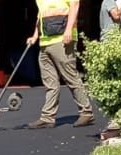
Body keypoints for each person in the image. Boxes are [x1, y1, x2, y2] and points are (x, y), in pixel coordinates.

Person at [26, 0, 93, 129]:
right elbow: (41, 15)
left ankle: (86, 112)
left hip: (62, 39)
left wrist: (68, 29)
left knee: (70, 76)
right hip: (45, 42)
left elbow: (75, 5)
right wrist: (35, 36)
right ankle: (47, 117)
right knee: (49, 82)